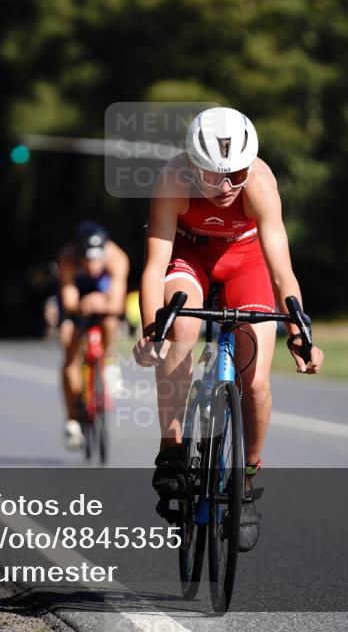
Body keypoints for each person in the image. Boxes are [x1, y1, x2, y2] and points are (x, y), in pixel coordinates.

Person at [132, 106, 325, 551]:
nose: (226, 187)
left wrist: (301, 333)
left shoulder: (259, 183)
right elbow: (155, 265)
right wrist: (151, 330)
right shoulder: (172, 179)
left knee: (254, 383)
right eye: (214, 175)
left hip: (246, 263)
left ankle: (246, 479)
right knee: (179, 328)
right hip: (190, 258)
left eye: (235, 174)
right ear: (192, 165)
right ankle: (172, 448)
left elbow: (282, 272)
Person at [57, 221, 129, 450]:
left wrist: (101, 302)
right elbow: (69, 301)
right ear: (79, 255)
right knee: (69, 342)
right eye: (88, 260)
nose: (93, 265)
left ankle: (110, 362)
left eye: (98, 259)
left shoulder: (117, 258)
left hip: (104, 298)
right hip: (78, 299)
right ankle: (72, 420)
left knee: (110, 321)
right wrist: (82, 305)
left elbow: (117, 304)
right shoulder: (67, 257)